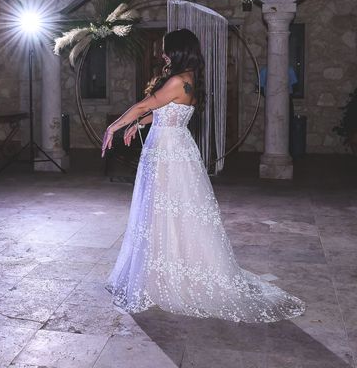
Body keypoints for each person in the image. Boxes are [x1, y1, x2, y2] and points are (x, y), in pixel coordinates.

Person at [101, 29, 304, 322]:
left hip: (168, 153)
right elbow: (162, 110)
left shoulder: (176, 80)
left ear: (178, 51)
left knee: (166, 210)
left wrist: (115, 126)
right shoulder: (188, 79)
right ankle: (164, 267)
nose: (162, 55)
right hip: (173, 148)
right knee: (166, 212)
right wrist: (140, 124)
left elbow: (147, 104)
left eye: (166, 50)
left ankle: (170, 275)